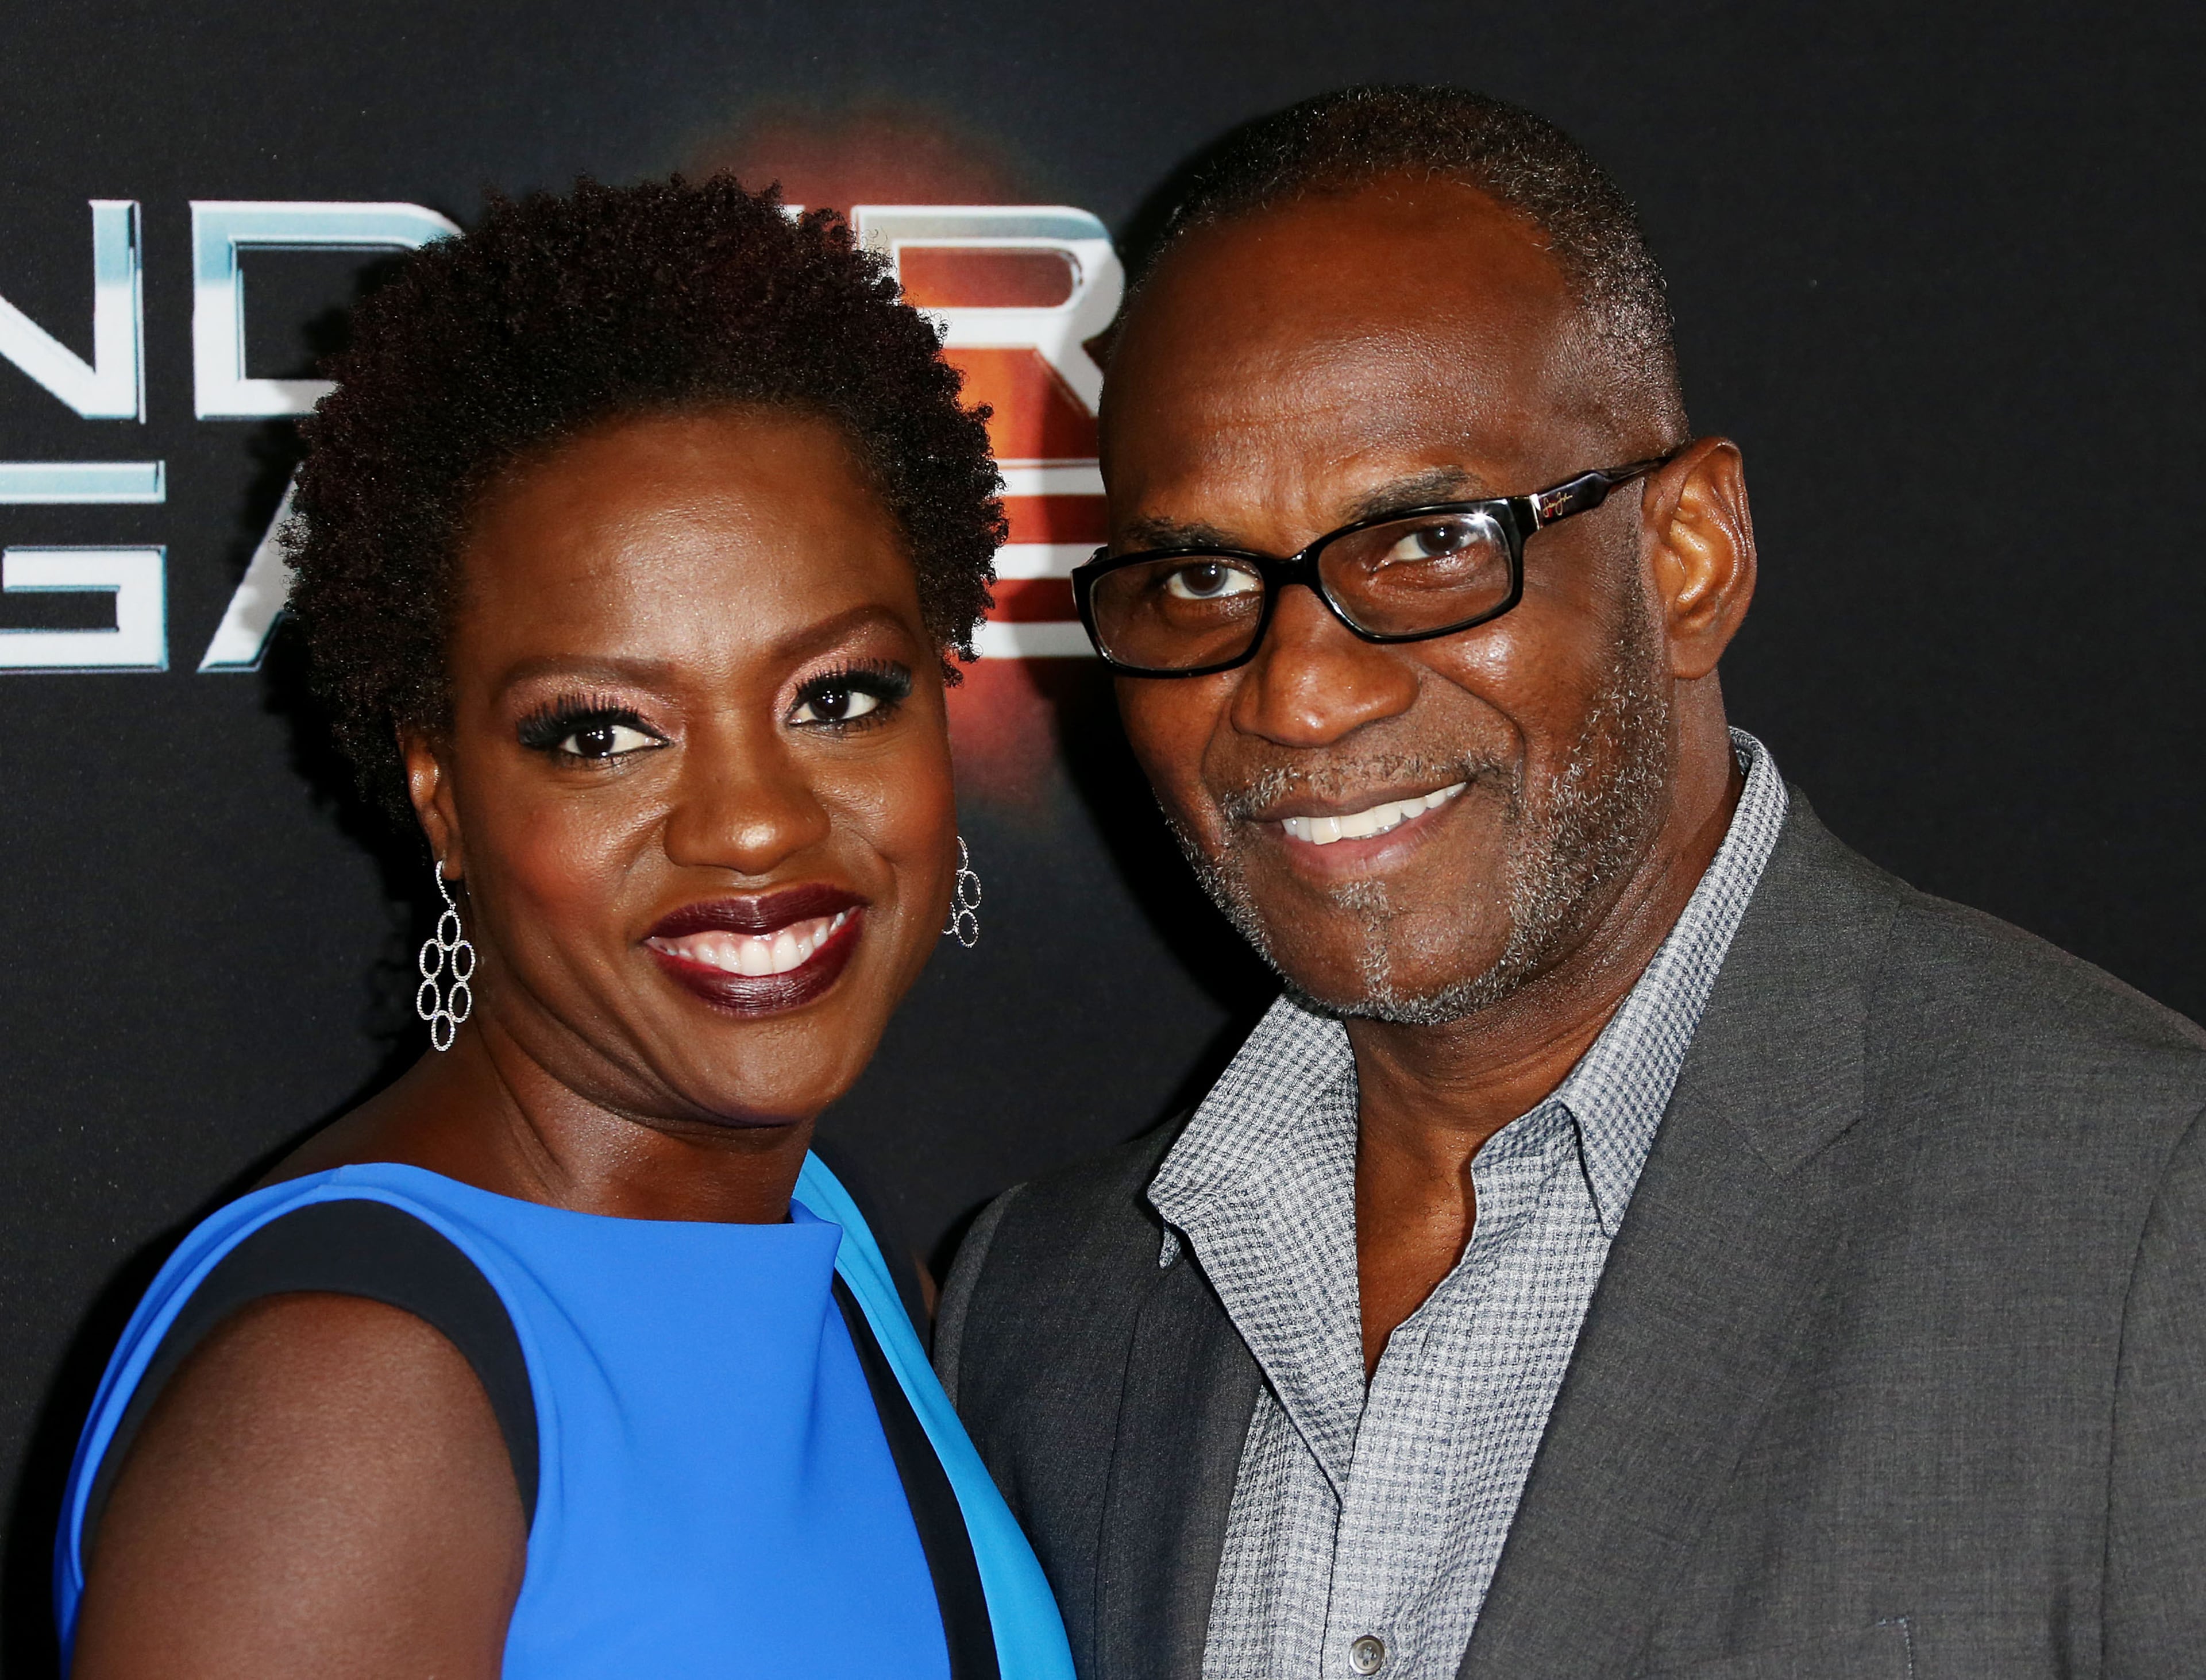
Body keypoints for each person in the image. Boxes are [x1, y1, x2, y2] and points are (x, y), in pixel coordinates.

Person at [937, 86, 2206, 1679]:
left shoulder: (2145, 1223)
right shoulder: (1045, 1305)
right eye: (1199, 576)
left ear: (1689, 558)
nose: (1300, 694)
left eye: (1428, 542)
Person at [55, 176, 1073, 1680]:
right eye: (603, 733)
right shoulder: (353, 1395)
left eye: (837, 697)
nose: (752, 823)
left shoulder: (836, 1247)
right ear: (442, 791)